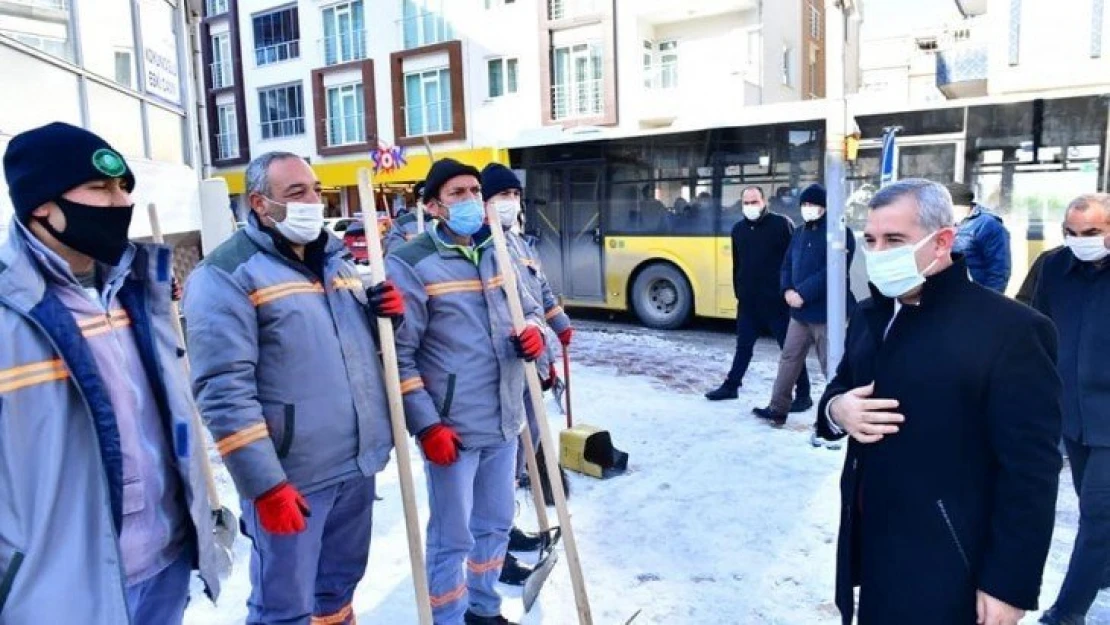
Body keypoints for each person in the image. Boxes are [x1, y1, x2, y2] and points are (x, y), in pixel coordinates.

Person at [0, 121, 228, 623]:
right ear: (41, 203)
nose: (121, 202)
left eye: (124, 186)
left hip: (165, 565)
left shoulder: (135, 289)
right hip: (62, 594)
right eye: (99, 188)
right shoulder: (9, 311)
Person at [817, 178, 1062, 625]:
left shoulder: (1010, 331)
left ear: (942, 241)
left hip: (952, 561)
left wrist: (1009, 584)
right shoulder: (872, 315)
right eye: (870, 240)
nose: (878, 252)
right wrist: (837, 411)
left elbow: (1031, 473)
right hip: (875, 549)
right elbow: (840, 390)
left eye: (895, 240)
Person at [184, 151, 402, 625]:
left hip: (355, 463)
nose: (312, 201)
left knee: (338, 589)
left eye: (316, 190)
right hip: (292, 477)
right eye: (296, 192)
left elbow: (352, 352)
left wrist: (385, 319)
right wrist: (265, 484)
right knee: (283, 605)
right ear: (260, 203)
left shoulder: (337, 261)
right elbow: (223, 390)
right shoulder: (225, 276)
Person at [387, 158, 545, 625]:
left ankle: (483, 607)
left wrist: (535, 331)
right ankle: (449, 617)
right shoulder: (412, 263)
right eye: (458, 193)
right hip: (452, 430)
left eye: (475, 190)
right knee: (452, 538)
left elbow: (530, 307)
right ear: (434, 205)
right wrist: (427, 423)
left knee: (494, 525)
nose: (472, 200)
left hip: (504, 415)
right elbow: (399, 355)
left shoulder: (499, 248)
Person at [480, 163, 571, 585]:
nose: (511, 203)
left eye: (515, 196)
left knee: (525, 444)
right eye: (502, 196)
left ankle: (506, 526)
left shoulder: (520, 243)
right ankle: (490, 552)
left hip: (535, 356)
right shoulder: (482, 247)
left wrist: (559, 324)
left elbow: (542, 292)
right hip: (504, 361)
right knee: (498, 463)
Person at [1032, 193, 1110, 625]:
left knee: (1098, 512)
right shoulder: (1054, 267)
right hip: (1071, 412)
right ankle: (1102, 568)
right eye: (1072, 233)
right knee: (1092, 506)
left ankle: (1067, 612)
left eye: (1093, 233)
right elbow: (1038, 326)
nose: (1081, 241)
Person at [752, 184, 855, 445]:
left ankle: (835, 417)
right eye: (805, 205)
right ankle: (778, 409)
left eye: (813, 205)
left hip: (825, 314)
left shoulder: (839, 233)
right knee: (789, 359)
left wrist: (803, 293)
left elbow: (834, 270)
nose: (808, 209)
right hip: (798, 313)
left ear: (824, 207)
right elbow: (786, 264)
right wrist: (786, 289)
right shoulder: (798, 233)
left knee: (832, 366)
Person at [705, 186, 811, 411]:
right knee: (743, 346)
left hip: (777, 302)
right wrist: (739, 293)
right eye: (746, 202)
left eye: (754, 201)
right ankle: (731, 386)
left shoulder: (780, 225)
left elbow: (793, 259)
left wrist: (790, 290)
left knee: (790, 350)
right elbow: (737, 264)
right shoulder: (738, 230)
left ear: (764, 202)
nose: (750, 206)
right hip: (749, 302)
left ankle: (804, 395)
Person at [946, 182, 1012, 293]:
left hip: (974, 296)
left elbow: (999, 272)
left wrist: (989, 302)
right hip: (949, 294)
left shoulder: (988, 225)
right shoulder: (943, 223)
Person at [384, 180, 438, 254]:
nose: (428, 203)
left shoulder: (445, 220)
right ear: (417, 201)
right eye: (423, 200)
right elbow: (393, 251)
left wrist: (418, 241)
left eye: (431, 199)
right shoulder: (402, 223)